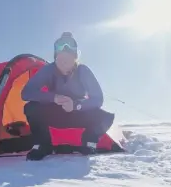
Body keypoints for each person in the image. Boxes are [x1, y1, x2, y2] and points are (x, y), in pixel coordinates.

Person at [21, 32, 116, 161]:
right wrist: (53, 98)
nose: (64, 61)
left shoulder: (83, 71)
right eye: (60, 57)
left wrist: (76, 105)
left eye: (68, 57)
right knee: (31, 108)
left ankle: (89, 143)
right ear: (55, 57)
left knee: (106, 117)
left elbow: (98, 99)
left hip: (78, 113)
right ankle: (44, 145)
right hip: (54, 113)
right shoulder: (48, 70)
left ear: (75, 57)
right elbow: (26, 93)